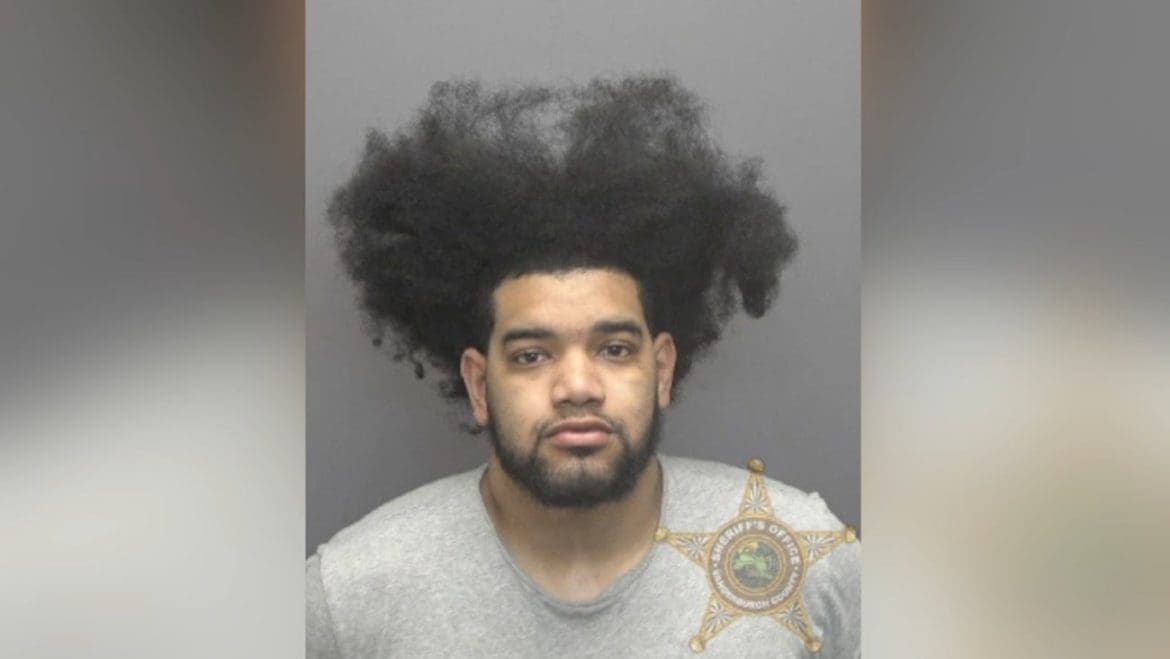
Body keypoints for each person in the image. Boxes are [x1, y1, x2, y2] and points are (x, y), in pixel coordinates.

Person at [308, 75, 860, 658]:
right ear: (479, 385)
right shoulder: (351, 596)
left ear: (662, 370)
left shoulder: (802, 557)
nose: (577, 387)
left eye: (615, 349)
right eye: (531, 356)